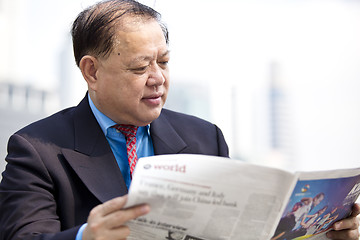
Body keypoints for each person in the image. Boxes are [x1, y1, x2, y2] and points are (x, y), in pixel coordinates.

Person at [0, 1, 358, 240]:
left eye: (164, 62)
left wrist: (325, 233)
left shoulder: (205, 138)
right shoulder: (37, 150)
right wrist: (84, 236)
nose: (158, 78)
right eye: (141, 67)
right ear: (91, 71)